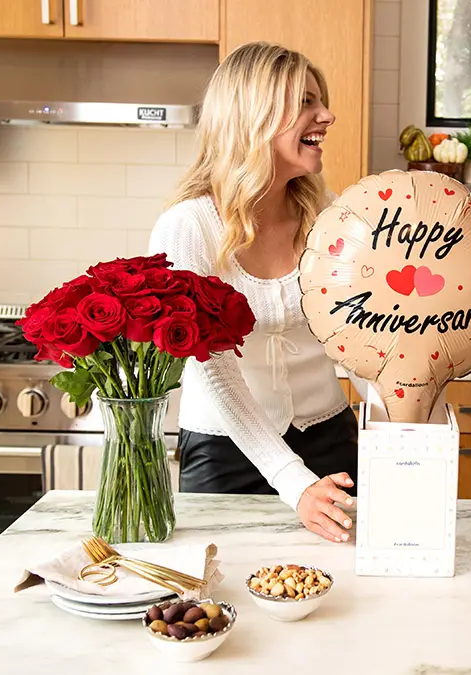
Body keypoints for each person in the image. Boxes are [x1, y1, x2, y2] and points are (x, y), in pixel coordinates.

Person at [148, 42, 360, 543]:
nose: (326, 116)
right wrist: (292, 480)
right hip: (227, 454)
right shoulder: (188, 227)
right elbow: (211, 369)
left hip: (331, 440)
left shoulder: (327, 212)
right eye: (307, 102)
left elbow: (361, 332)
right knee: (222, 599)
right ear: (257, 115)